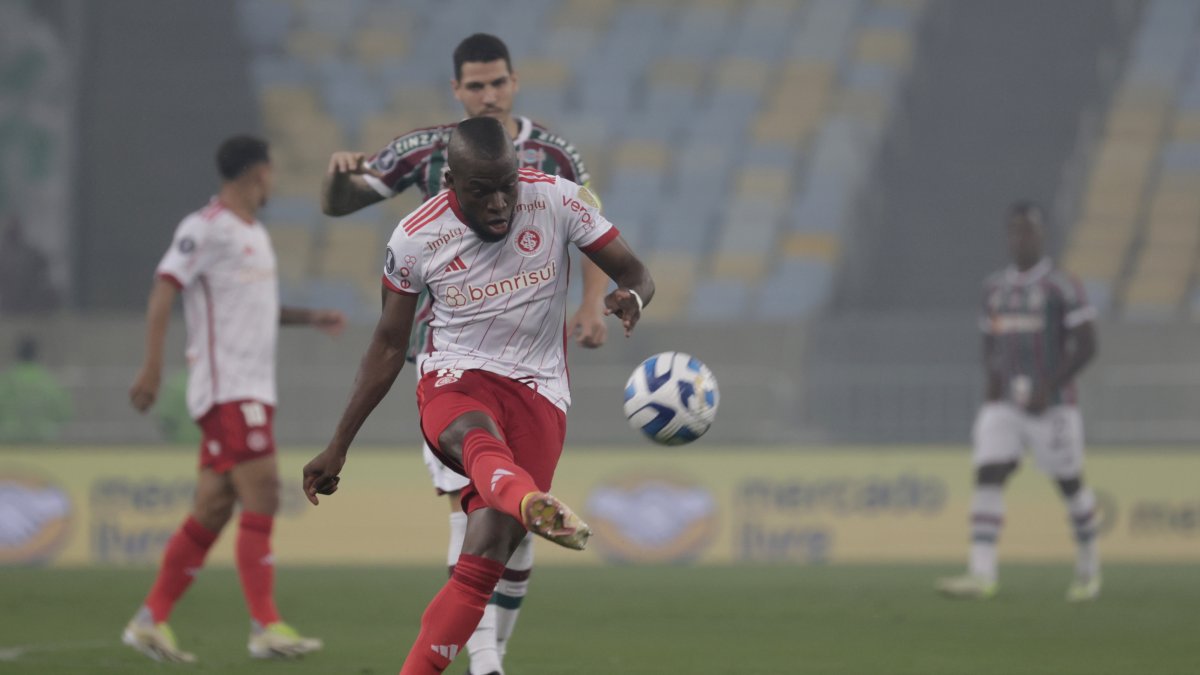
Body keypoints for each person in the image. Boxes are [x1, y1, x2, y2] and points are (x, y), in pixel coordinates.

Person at [303, 117, 653, 674]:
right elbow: (389, 346)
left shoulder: (557, 199)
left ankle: (470, 645)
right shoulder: (416, 237)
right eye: (480, 190)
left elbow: (635, 271)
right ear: (450, 182)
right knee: (474, 437)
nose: (498, 203)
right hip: (455, 377)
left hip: (541, 392)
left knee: (485, 556)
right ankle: (525, 500)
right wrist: (338, 445)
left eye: (506, 186)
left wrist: (631, 296)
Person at [122, 135, 345, 663]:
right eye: (272, 173)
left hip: (251, 390)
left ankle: (149, 620)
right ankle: (265, 625)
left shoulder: (253, 235)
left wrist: (311, 317)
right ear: (260, 174)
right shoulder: (206, 228)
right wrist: (152, 368)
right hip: (227, 391)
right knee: (264, 490)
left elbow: (256, 308)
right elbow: (164, 289)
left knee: (214, 507)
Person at [937, 201, 1100, 602]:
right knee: (988, 473)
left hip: (1055, 405)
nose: (1020, 238)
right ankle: (981, 574)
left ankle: (1088, 568)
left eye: (1028, 230)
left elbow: (1088, 344)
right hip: (1006, 404)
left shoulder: (1062, 286)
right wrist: (992, 381)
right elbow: (989, 340)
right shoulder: (994, 288)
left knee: (1070, 485)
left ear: (1042, 236)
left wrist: (1051, 384)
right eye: (1014, 231)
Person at [0, 335, 71, 442]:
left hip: (10, 440)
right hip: (43, 440)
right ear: (36, 354)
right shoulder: (47, 381)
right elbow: (65, 412)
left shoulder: (7, 380)